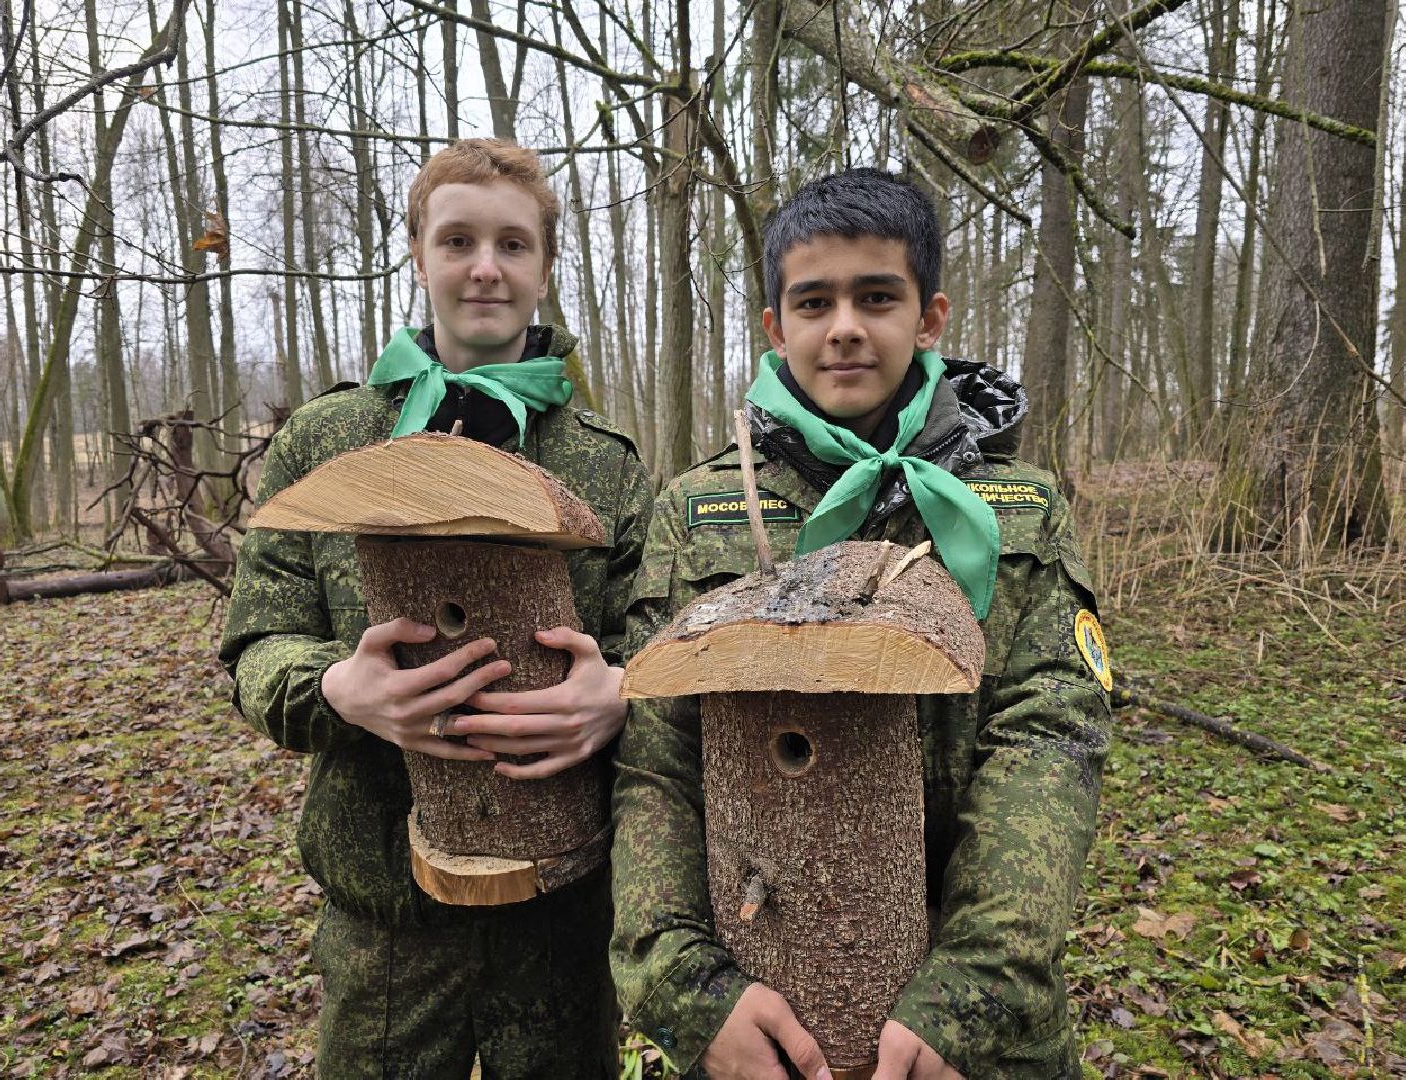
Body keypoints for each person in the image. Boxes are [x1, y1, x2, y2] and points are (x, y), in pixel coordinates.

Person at [611, 168, 1112, 1080]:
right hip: (763, 1011)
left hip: (974, 1028)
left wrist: (969, 998)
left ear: (929, 318)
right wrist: (689, 991)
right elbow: (656, 760)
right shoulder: (701, 511)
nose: (844, 326)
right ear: (777, 327)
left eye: (877, 297)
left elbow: (1050, 741)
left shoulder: (1017, 507)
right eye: (815, 302)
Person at [221, 138, 651, 1078]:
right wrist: (338, 690)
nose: (485, 268)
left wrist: (617, 693)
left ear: (545, 267)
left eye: (513, 244)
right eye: (457, 241)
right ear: (418, 256)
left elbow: (655, 648)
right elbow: (256, 644)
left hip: (561, 917)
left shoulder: (606, 463)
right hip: (386, 919)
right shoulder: (328, 440)